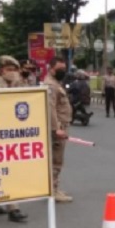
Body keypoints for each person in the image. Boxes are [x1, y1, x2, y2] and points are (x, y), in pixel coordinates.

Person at [0, 56, 29, 223]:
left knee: (5, 170)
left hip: (12, 133)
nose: (12, 73)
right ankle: (13, 209)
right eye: (9, 70)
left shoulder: (17, 84)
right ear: (2, 70)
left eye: (14, 70)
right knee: (3, 170)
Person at [43, 56, 73, 202]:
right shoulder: (51, 85)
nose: (63, 71)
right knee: (56, 160)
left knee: (57, 159)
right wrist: (56, 129)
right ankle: (53, 192)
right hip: (58, 128)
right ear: (51, 69)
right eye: (59, 69)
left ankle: (53, 188)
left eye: (64, 69)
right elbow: (50, 108)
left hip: (61, 126)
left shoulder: (56, 83)